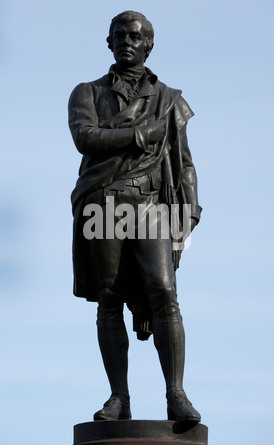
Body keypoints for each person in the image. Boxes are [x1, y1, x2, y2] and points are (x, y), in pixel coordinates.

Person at [68, 10, 202, 422]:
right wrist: (141, 135)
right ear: (109, 42)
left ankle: (176, 395)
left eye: (135, 36)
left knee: (163, 290)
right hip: (103, 202)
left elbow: (184, 165)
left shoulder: (169, 101)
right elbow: (85, 137)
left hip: (151, 206)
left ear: (149, 45)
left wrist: (189, 213)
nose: (127, 41)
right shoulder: (87, 93)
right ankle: (119, 398)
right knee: (108, 298)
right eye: (119, 35)